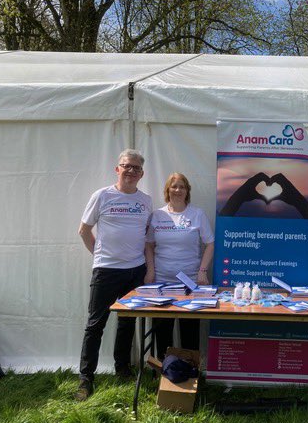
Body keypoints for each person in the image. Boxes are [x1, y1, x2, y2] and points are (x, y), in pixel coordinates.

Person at [76, 149, 152, 401]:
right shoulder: (101, 196)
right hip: (106, 270)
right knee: (95, 324)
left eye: (136, 168)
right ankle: (86, 378)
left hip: (135, 270)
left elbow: (147, 236)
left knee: (127, 322)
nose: (130, 171)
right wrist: (99, 255)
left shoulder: (146, 201)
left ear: (141, 174)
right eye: (126, 166)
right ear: (117, 169)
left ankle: (122, 369)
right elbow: (84, 230)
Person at [145, 172, 215, 357]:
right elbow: (149, 244)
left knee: (189, 331)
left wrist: (202, 271)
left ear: (187, 191)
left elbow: (210, 243)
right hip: (161, 283)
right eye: (174, 186)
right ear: (167, 190)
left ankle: (190, 375)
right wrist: (150, 271)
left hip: (190, 283)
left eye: (182, 186)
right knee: (162, 331)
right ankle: (163, 371)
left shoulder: (197, 214)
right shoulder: (157, 215)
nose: (177, 190)